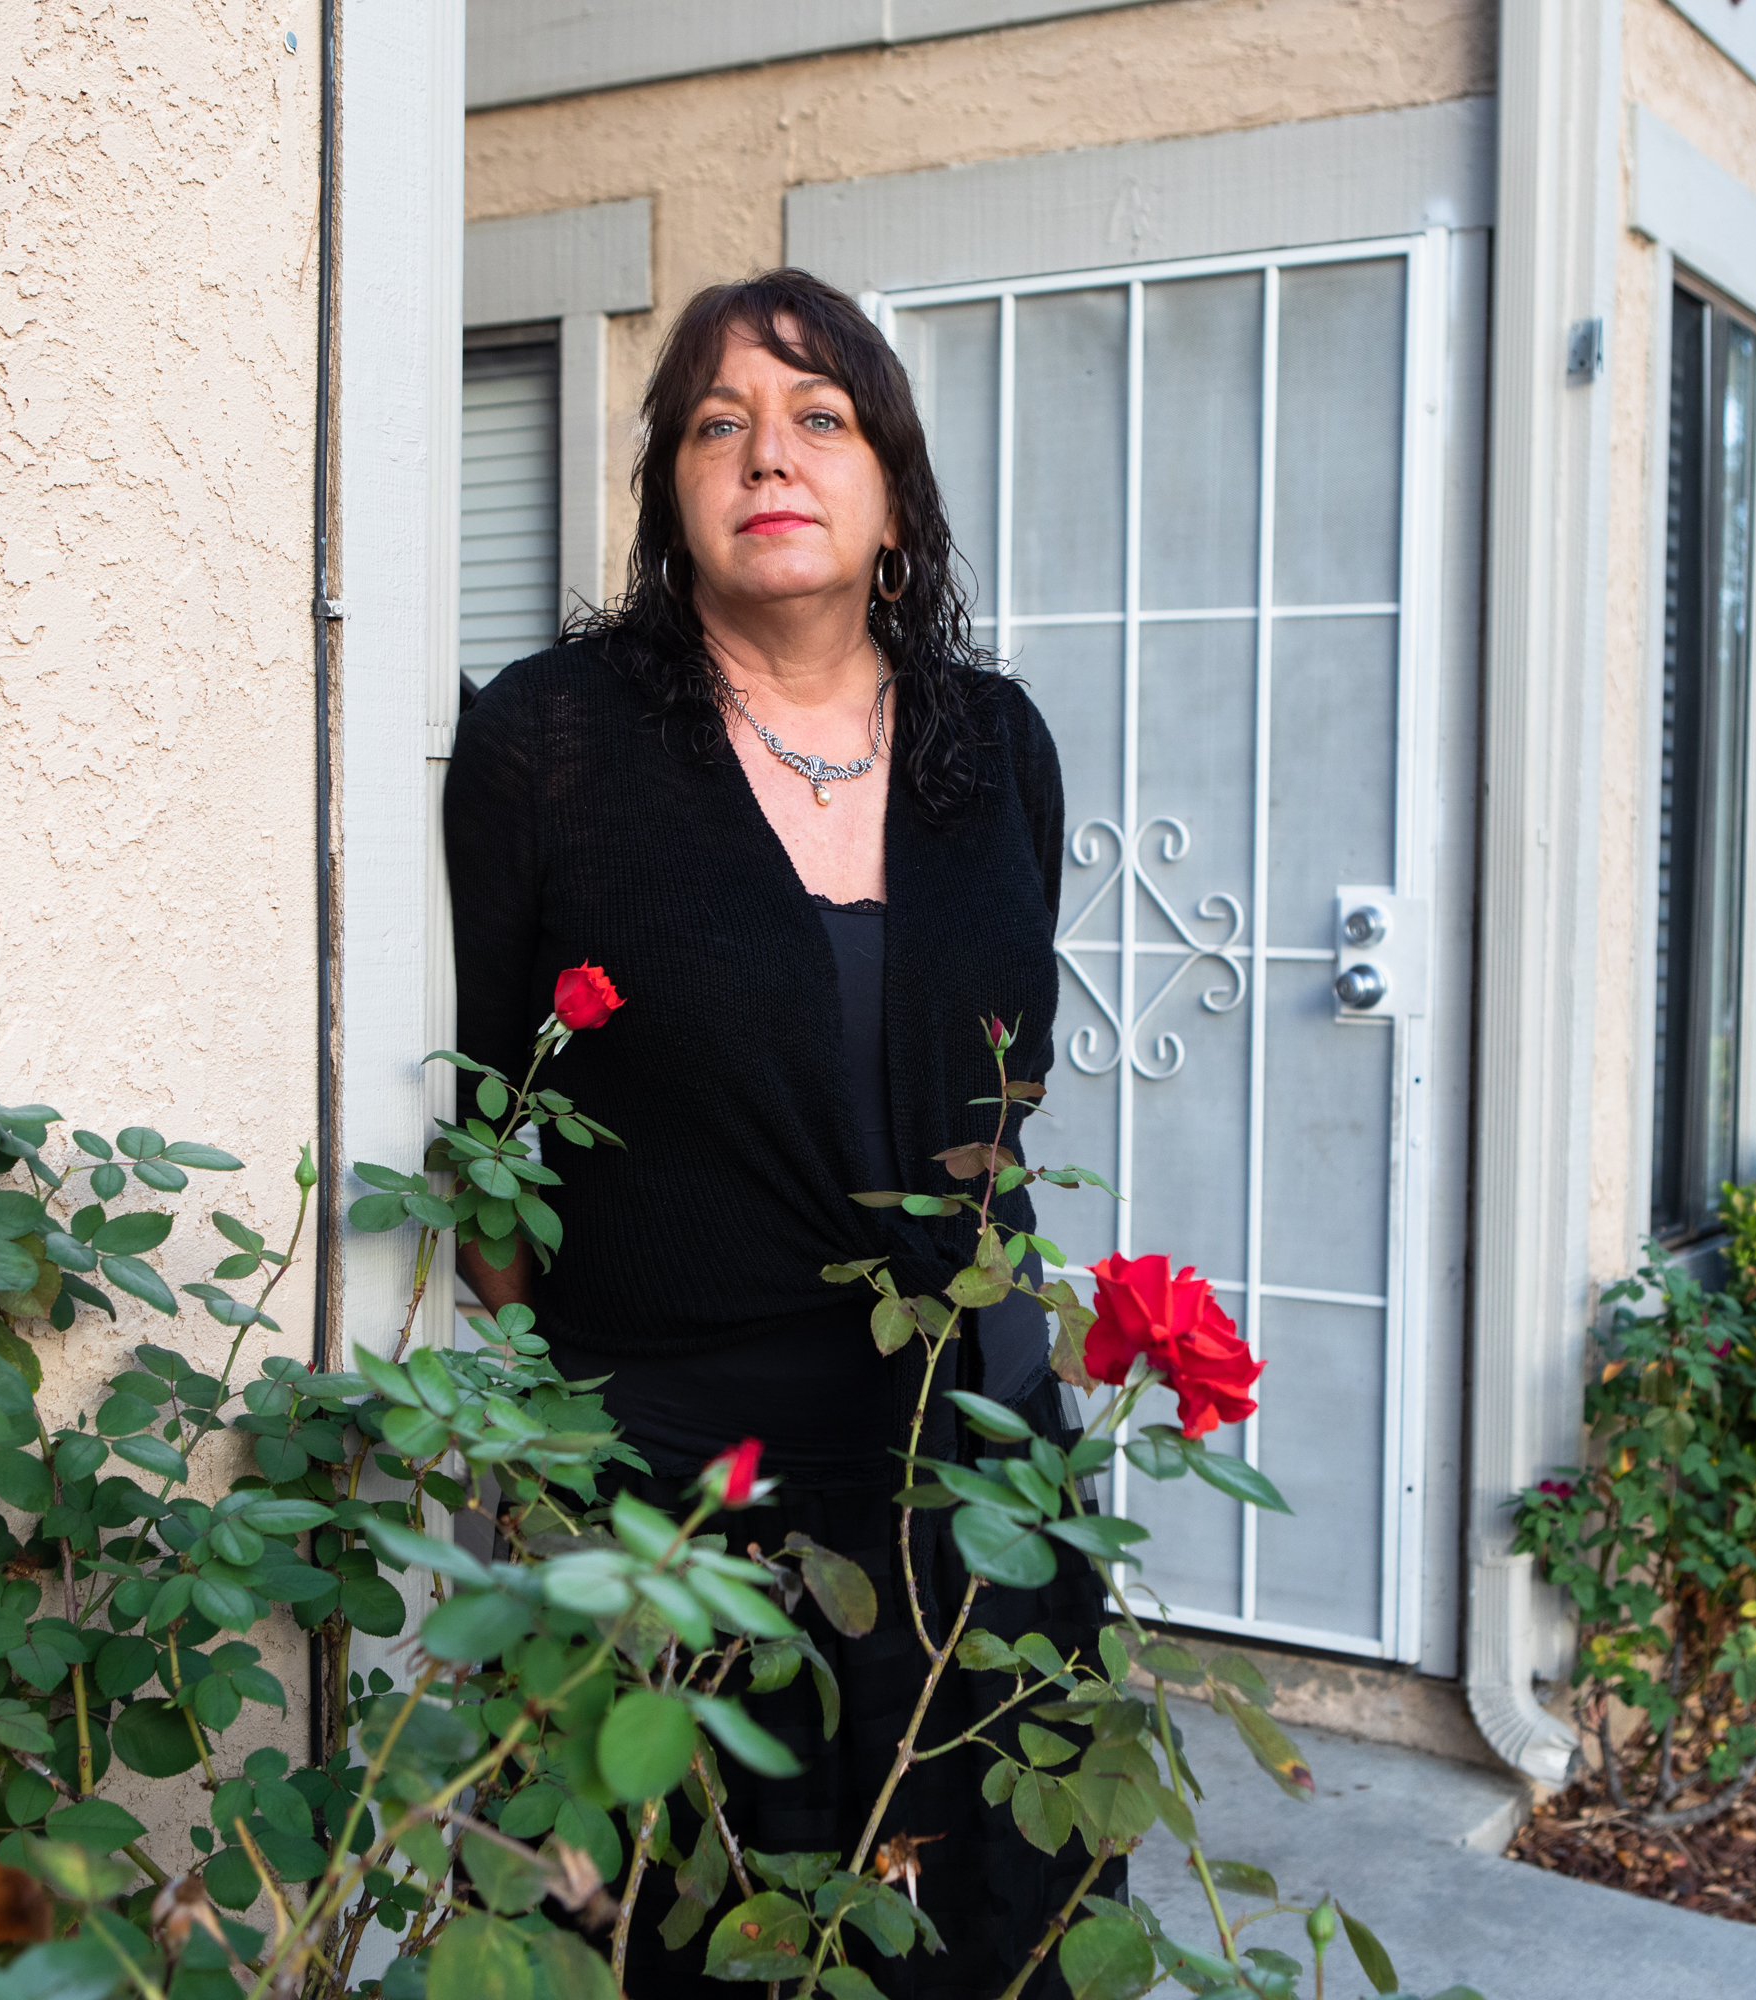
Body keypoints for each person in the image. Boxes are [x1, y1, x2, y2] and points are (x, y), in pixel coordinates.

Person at [442, 268, 1114, 1999]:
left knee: (978, 1939)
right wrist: (538, 1447)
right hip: (678, 1505)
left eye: (820, 419)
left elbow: (1007, 1094)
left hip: (974, 1489)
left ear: (893, 490)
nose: (769, 456)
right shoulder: (549, 745)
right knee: (681, 1947)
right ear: (672, 490)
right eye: (718, 425)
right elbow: (485, 1122)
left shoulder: (998, 747)